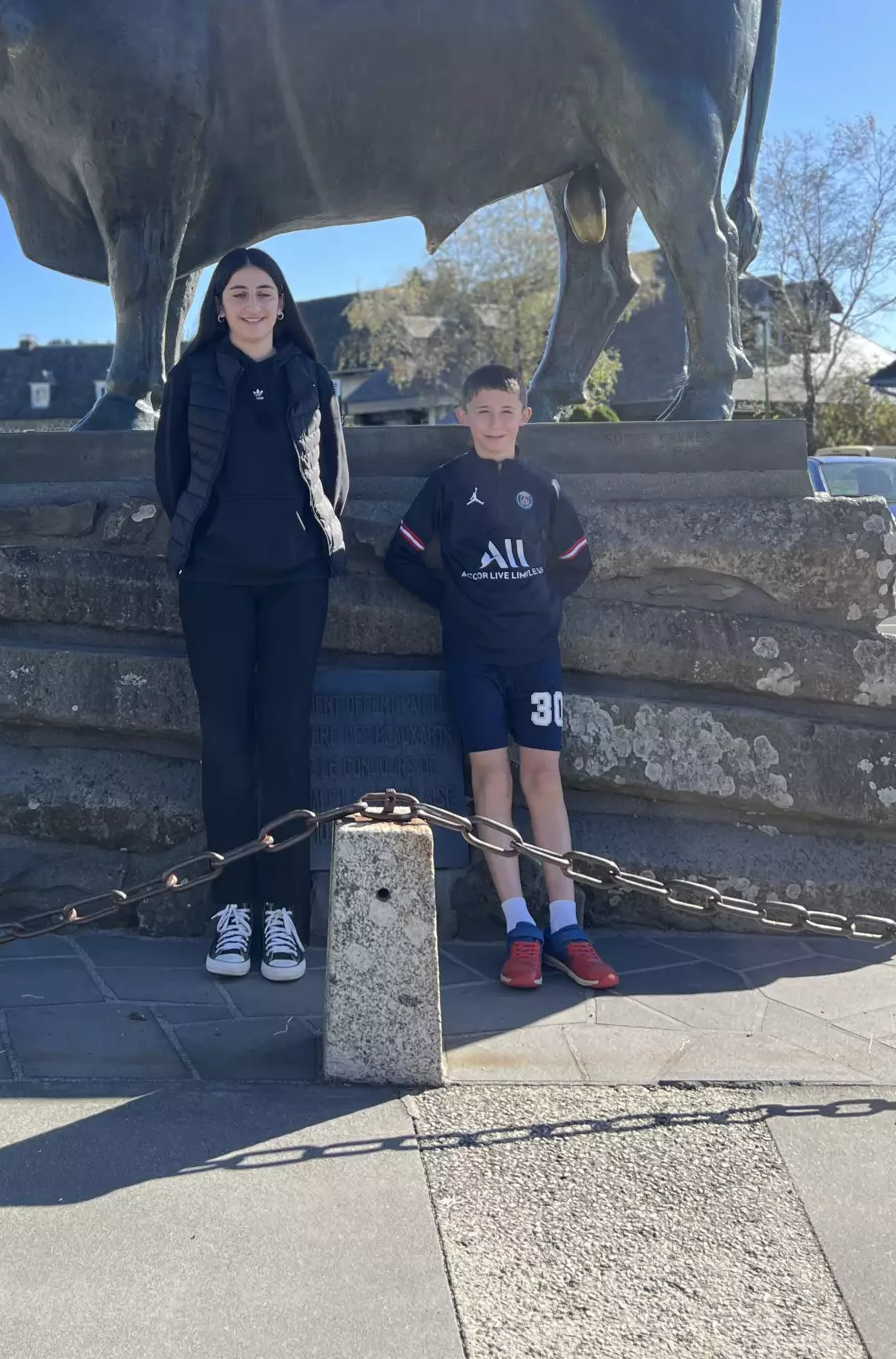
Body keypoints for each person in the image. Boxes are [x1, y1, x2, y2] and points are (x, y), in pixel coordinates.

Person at [383, 364, 619, 992]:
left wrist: (545, 605)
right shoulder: (446, 484)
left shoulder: (541, 485)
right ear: (463, 417)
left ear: (524, 419)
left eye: (505, 412)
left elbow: (577, 560)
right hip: (472, 658)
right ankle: (520, 927)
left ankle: (566, 926)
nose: (493, 423)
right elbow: (400, 557)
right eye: (481, 412)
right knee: (490, 777)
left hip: (535, 655)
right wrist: (453, 600)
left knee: (542, 777)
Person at [155, 246, 348, 982]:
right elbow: (172, 474)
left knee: (287, 743)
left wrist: (311, 543)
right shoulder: (194, 377)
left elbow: (334, 474)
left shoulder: (309, 375)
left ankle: (284, 916)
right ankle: (232, 912)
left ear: (282, 302)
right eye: (238, 293)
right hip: (215, 583)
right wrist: (203, 546)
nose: (253, 305)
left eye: (265, 292)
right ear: (219, 306)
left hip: (298, 582)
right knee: (227, 746)